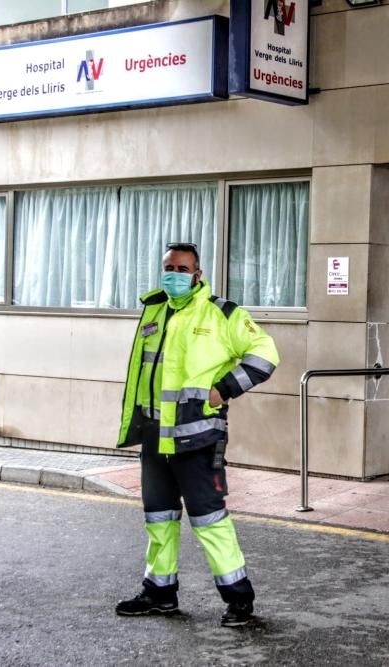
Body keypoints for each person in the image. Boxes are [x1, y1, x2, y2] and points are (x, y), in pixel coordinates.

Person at [114, 242, 279, 627]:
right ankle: (159, 593)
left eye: (182, 269)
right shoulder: (154, 309)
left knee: (210, 521)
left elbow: (265, 353)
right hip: (156, 435)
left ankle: (239, 601)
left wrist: (224, 389)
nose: (174, 274)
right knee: (159, 518)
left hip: (197, 436)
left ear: (198, 274)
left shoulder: (222, 313)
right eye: (168, 267)